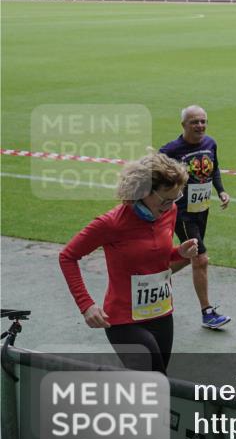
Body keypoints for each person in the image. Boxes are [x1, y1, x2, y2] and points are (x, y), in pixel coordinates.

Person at [59, 152, 199, 373]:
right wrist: (85, 305)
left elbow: (158, 261)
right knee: (153, 379)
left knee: (158, 382)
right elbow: (67, 256)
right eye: (165, 199)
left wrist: (181, 253)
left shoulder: (168, 212)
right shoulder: (111, 223)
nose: (171, 205)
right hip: (124, 321)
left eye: (176, 198)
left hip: (162, 314)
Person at [160, 105, 232, 329]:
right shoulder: (171, 150)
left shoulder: (211, 143)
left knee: (190, 254)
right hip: (182, 212)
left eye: (203, 121)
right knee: (201, 259)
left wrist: (221, 191)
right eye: (194, 122)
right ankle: (207, 313)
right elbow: (152, 176)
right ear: (183, 125)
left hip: (202, 209)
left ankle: (152, 277)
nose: (200, 126)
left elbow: (215, 169)